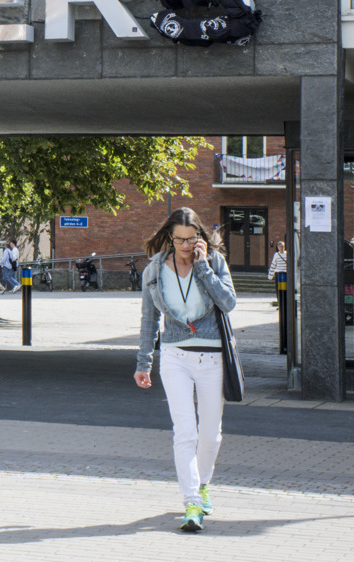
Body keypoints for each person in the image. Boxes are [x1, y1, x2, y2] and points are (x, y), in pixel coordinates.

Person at [133, 207, 237, 533]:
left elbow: (229, 302)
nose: (185, 246)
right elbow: (149, 320)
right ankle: (191, 501)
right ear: (169, 237)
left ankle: (203, 484)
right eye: (179, 239)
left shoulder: (214, 262)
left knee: (210, 435)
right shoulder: (153, 270)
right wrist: (143, 362)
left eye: (191, 239)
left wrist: (204, 267)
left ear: (200, 237)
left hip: (212, 358)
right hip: (175, 356)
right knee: (185, 433)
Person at [268, 241, 287, 307]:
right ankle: (280, 304)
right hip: (278, 273)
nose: (281, 248)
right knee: (278, 290)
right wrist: (270, 275)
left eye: (282, 246)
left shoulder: (287, 254)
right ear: (278, 247)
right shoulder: (276, 255)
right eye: (280, 247)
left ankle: (285, 304)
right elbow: (273, 265)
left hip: (285, 273)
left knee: (285, 289)